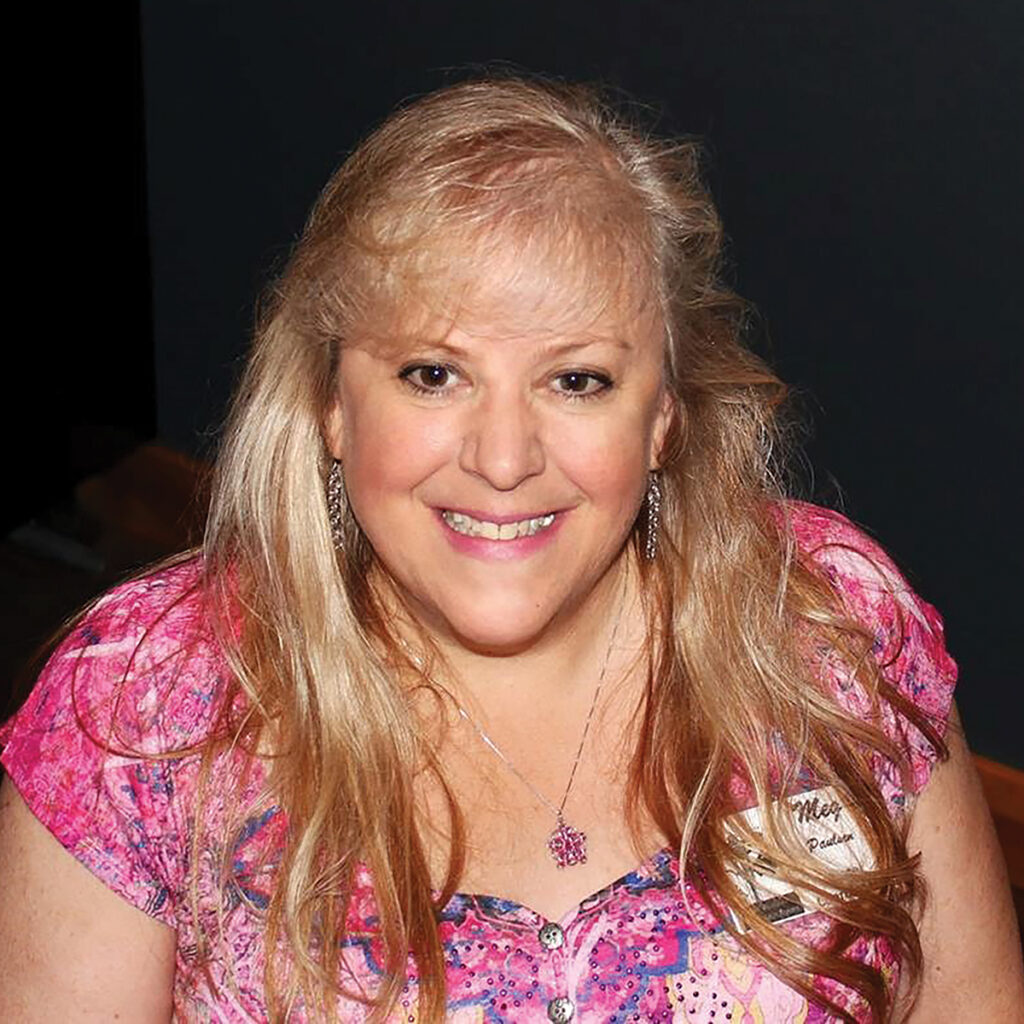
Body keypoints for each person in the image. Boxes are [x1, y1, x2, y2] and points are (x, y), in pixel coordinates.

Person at [0, 75, 1020, 1024]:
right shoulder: (145, 714)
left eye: (575, 379)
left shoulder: (827, 633)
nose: (501, 459)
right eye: (433, 373)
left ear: (663, 413)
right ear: (330, 402)